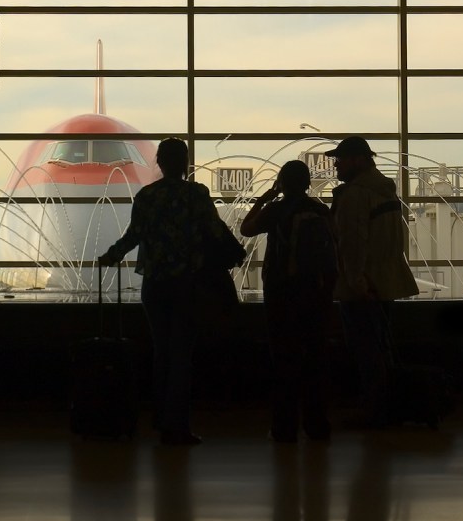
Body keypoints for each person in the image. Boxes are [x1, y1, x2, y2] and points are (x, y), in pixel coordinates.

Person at [98, 137, 230, 446]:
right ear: (185, 163)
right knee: (182, 354)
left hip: (155, 285)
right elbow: (215, 232)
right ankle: (177, 425)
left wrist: (111, 256)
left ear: (159, 162)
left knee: (162, 351)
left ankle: (159, 418)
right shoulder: (196, 195)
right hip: (187, 284)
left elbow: (133, 236)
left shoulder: (147, 196)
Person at [325, 136, 419, 428]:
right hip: (386, 281)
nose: (336, 165)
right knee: (381, 347)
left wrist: (355, 281)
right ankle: (388, 407)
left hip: (363, 286)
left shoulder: (356, 194)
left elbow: (352, 242)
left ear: (358, 160)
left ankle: (375, 411)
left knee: (366, 350)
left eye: (340, 159)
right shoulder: (387, 192)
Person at [240, 160, 336, 442]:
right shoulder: (321, 210)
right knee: (315, 358)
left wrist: (265, 198)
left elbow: (246, 229)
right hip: (316, 293)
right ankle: (317, 425)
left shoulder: (278, 210)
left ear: (282, 183)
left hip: (282, 292)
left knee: (284, 360)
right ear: (307, 183)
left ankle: (284, 427)